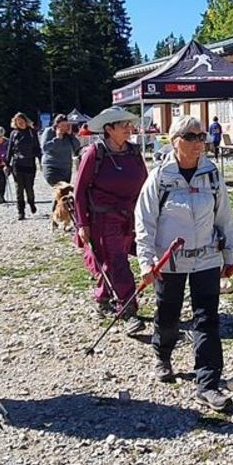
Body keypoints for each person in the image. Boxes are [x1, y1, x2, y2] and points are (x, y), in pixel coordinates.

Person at [135, 116, 233, 410]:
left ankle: (208, 384)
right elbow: (144, 222)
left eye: (201, 136)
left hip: (206, 257)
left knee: (207, 319)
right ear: (174, 141)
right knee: (168, 314)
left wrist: (229, 256)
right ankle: (163, 354)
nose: (198, 143)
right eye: (191, 137)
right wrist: (146, 262)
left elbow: (224, 217)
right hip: (170, 261)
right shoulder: (159, 177)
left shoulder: (211, 174)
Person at [73, 107, 148, 333]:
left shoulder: (133, 152)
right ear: (108, 129)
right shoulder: (94, 153)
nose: (129, 128)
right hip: (104, 218)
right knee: (117, 261)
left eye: (129, 124)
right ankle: (127, 309)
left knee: (114, 259)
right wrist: (82, 224)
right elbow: (79, 191)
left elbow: (146, 185)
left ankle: (103, 298)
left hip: (131, 216)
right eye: (123, 124)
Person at [6, 112, 41, 220]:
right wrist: (7, 163)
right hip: (17, 164)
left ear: (26, 121)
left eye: (22, 121)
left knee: (29, 188)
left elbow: (37, 148)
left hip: (30, 163)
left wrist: (41, 161)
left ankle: (31, 202)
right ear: (15, 123)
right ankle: (21, 211)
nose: (20, 123)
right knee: (19, 188)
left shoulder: (32, 132)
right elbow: (10, 149)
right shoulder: (13, 134)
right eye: (18, 122)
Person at [41, 114, 81, 187]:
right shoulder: (49, 131)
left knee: (64, 191)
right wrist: (57, 139)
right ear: (57, 125)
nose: (64, 128)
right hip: (52, 167)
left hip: (66, 168)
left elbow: (77, 146)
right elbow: (45, 148)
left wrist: (71, 135)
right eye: (62, 125)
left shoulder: (68, 135)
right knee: (60, 188)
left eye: (66, 125)